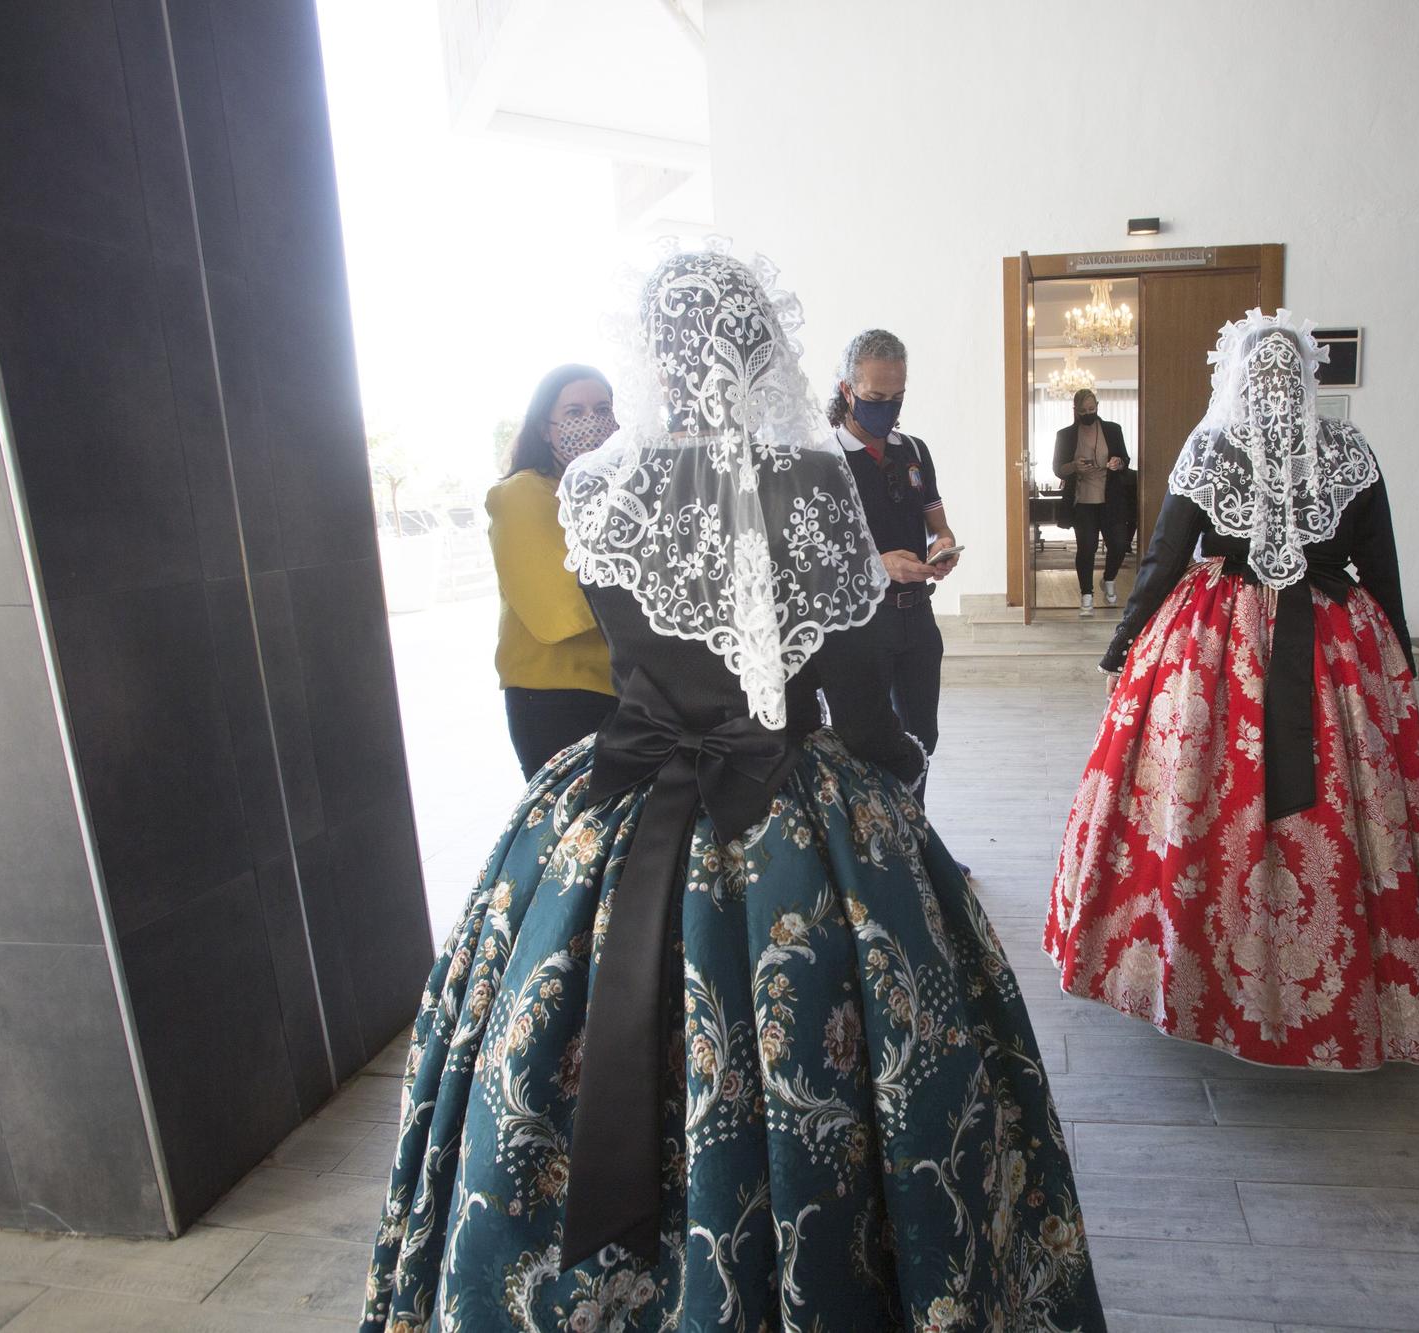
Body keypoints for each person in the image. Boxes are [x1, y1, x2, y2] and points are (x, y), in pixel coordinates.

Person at [359, 245, 1106, 1333]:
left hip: (610, 812)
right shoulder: (814, 480)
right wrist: (890, 781)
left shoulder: (598, 484)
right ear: (767, 344)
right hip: (791, 807)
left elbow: (622, 650)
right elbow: (852, 689)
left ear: (652, 351)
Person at [1045, 308, 1419, 1072]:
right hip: (1333, 646)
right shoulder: (1346, 448)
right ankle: (1340, 988)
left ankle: (1198, 973)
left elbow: (1166, 559)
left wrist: (1122, 647)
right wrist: (1394, 649)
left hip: (1217, 644)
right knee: (1342, 804)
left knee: (1202, 797)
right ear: (1307, 375)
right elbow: (1380, 560)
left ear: (1233, 375)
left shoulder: (1215, 445)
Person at [826, 328, 959, 792]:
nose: (888, 408)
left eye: (897, 396)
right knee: (866, 742)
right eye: (875, 396)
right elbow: (812, 560)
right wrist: (879, 565)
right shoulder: (824, 460)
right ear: (848, 390)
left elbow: (938, 526)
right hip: (861, 627)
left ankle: (919, 845)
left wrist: (943, 546)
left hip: (917, 620)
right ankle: (880, 852)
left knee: (922, 739)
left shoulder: (914, 451)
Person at [487, 365, 620, 778]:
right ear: (545, 428)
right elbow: (560, 612)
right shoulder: (522, 493)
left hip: (620, 692)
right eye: (574, 412)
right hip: (557, 700)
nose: (591, 422)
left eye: (602, 409)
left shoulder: (609, 493)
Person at [1052, 389, 1134, 617]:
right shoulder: (1066, 435)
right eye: (1083, 411)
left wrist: (1119, 462)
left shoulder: (1113, 429)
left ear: (1097, 405)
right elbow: (1057, 467)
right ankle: (1086, 594)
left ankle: (1108, 579)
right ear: (1075, 411)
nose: (1088, 413)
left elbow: (1125, 459)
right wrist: (1074, 467)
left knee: (1119, 544)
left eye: (1092, 409)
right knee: (1087, 548)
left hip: (1111, 500)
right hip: (1083, 501)